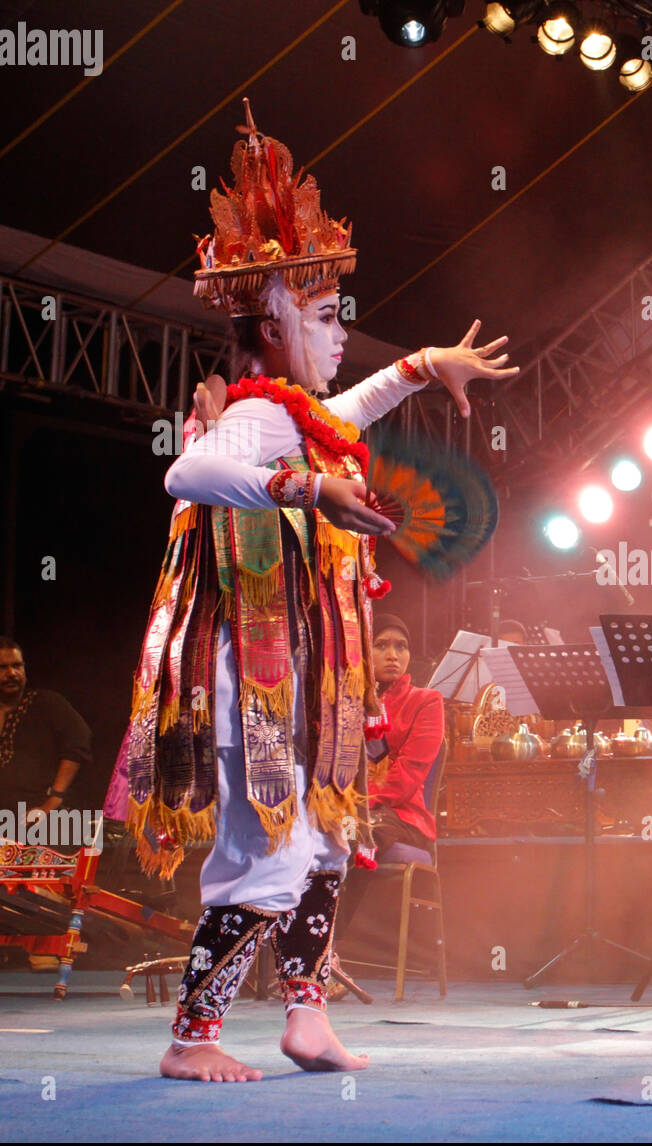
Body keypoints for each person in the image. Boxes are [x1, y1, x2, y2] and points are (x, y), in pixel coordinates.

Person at [122, 101, 516, 1082]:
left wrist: (425, 367)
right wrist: (308, 489)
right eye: (327, 317)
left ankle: (305, 1020)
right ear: (273, 319)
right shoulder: (260, 420)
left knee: (325, 846)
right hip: (249, 688)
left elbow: (350, 404)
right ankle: (192, 1038)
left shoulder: (295, 413)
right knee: (271, 861)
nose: (343, 336)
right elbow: (186, 475)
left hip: (293, 683)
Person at [367, 614, 445, 858]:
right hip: (352, 811)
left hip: (403, 818)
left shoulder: (426, 701)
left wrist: (359, 802)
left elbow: (408, 773)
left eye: (401, 647)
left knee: (357, 831)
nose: (393, 655)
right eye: (381, 645)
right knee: (330, 829)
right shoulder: (345, 700)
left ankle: (345, 892)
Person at [0, 637, 92, 828]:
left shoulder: (47, 703)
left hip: (42, 821)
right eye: (2, 667)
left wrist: (53, 801)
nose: (11, 673)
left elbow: (78, 743)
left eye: (17, 666)